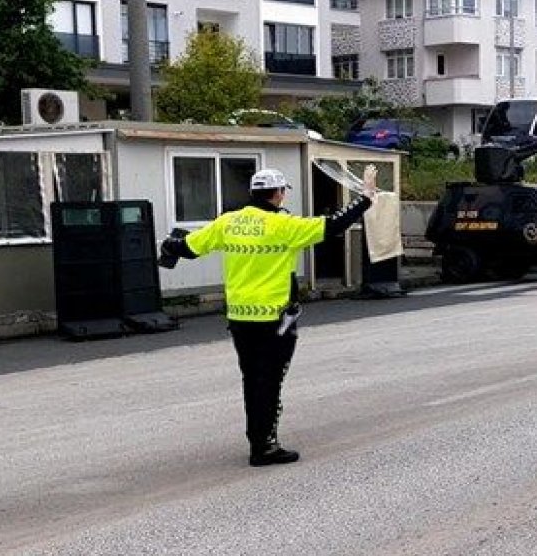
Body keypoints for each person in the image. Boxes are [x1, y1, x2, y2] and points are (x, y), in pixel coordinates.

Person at [159, 166, 378, 466]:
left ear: (253, 193)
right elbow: (333, 225)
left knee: (252, 379)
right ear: (277, 194)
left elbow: (188, 248)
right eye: (283, 191)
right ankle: (265, 447)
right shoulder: (283, 225)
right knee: (270, 382)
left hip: (239, 319)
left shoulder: (228, 222)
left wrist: (170, 244)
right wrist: (365, 197)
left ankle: (257, 440)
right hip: (275, 321)